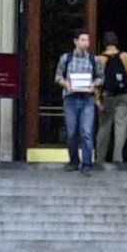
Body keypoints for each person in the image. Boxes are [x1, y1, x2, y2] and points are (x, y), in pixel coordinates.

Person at [56, 30, 100, 173]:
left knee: (86, 131)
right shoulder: (66, 58)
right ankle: (74, 160)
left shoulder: (94, 59)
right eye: (82, 39)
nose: (85, 43)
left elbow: (100, 77)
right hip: (71, 98)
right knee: (71, 131)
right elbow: (58, 77)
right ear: (75, 41)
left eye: (87, 40)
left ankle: (87, 163)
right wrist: (66, 84)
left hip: (87, 98)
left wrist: (94, 84)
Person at [96, 31, 127, 165]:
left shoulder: (100, 59)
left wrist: (97, 100)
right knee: (121, 127)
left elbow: (97, 81)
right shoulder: (125, 56)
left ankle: (100, 159)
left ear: (104, 43)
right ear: (117, 42)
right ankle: (117, 158)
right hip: (123, 96)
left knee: (104, 127)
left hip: (107, 96)